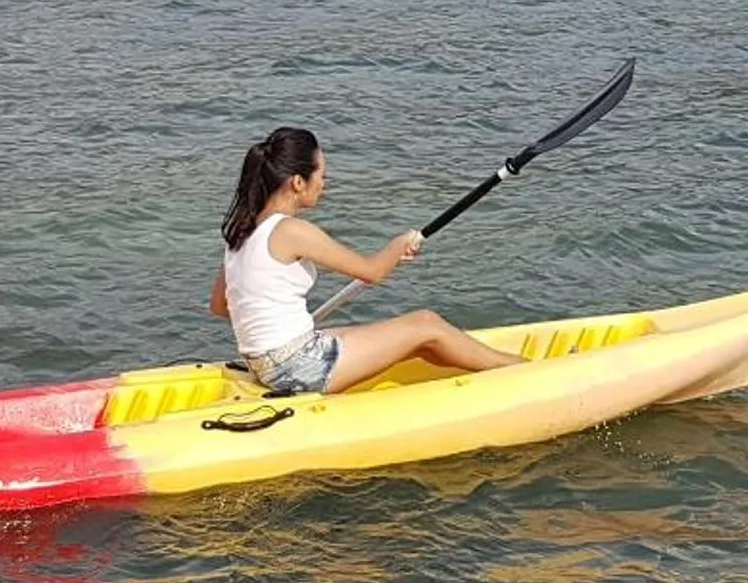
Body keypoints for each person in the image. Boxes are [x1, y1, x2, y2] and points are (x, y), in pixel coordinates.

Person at [211, 126, 524, 397]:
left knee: (412, 340)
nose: (325, 184)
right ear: (297, 182)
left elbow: (221, 306)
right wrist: (398, 245)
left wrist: (272, 325)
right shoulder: (292, 230)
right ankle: (519, 371)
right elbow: (372, 272)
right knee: (426, 323)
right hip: (297, 367)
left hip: (264, 363)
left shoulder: (243, 231)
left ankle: (481, 369)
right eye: (321, 176)